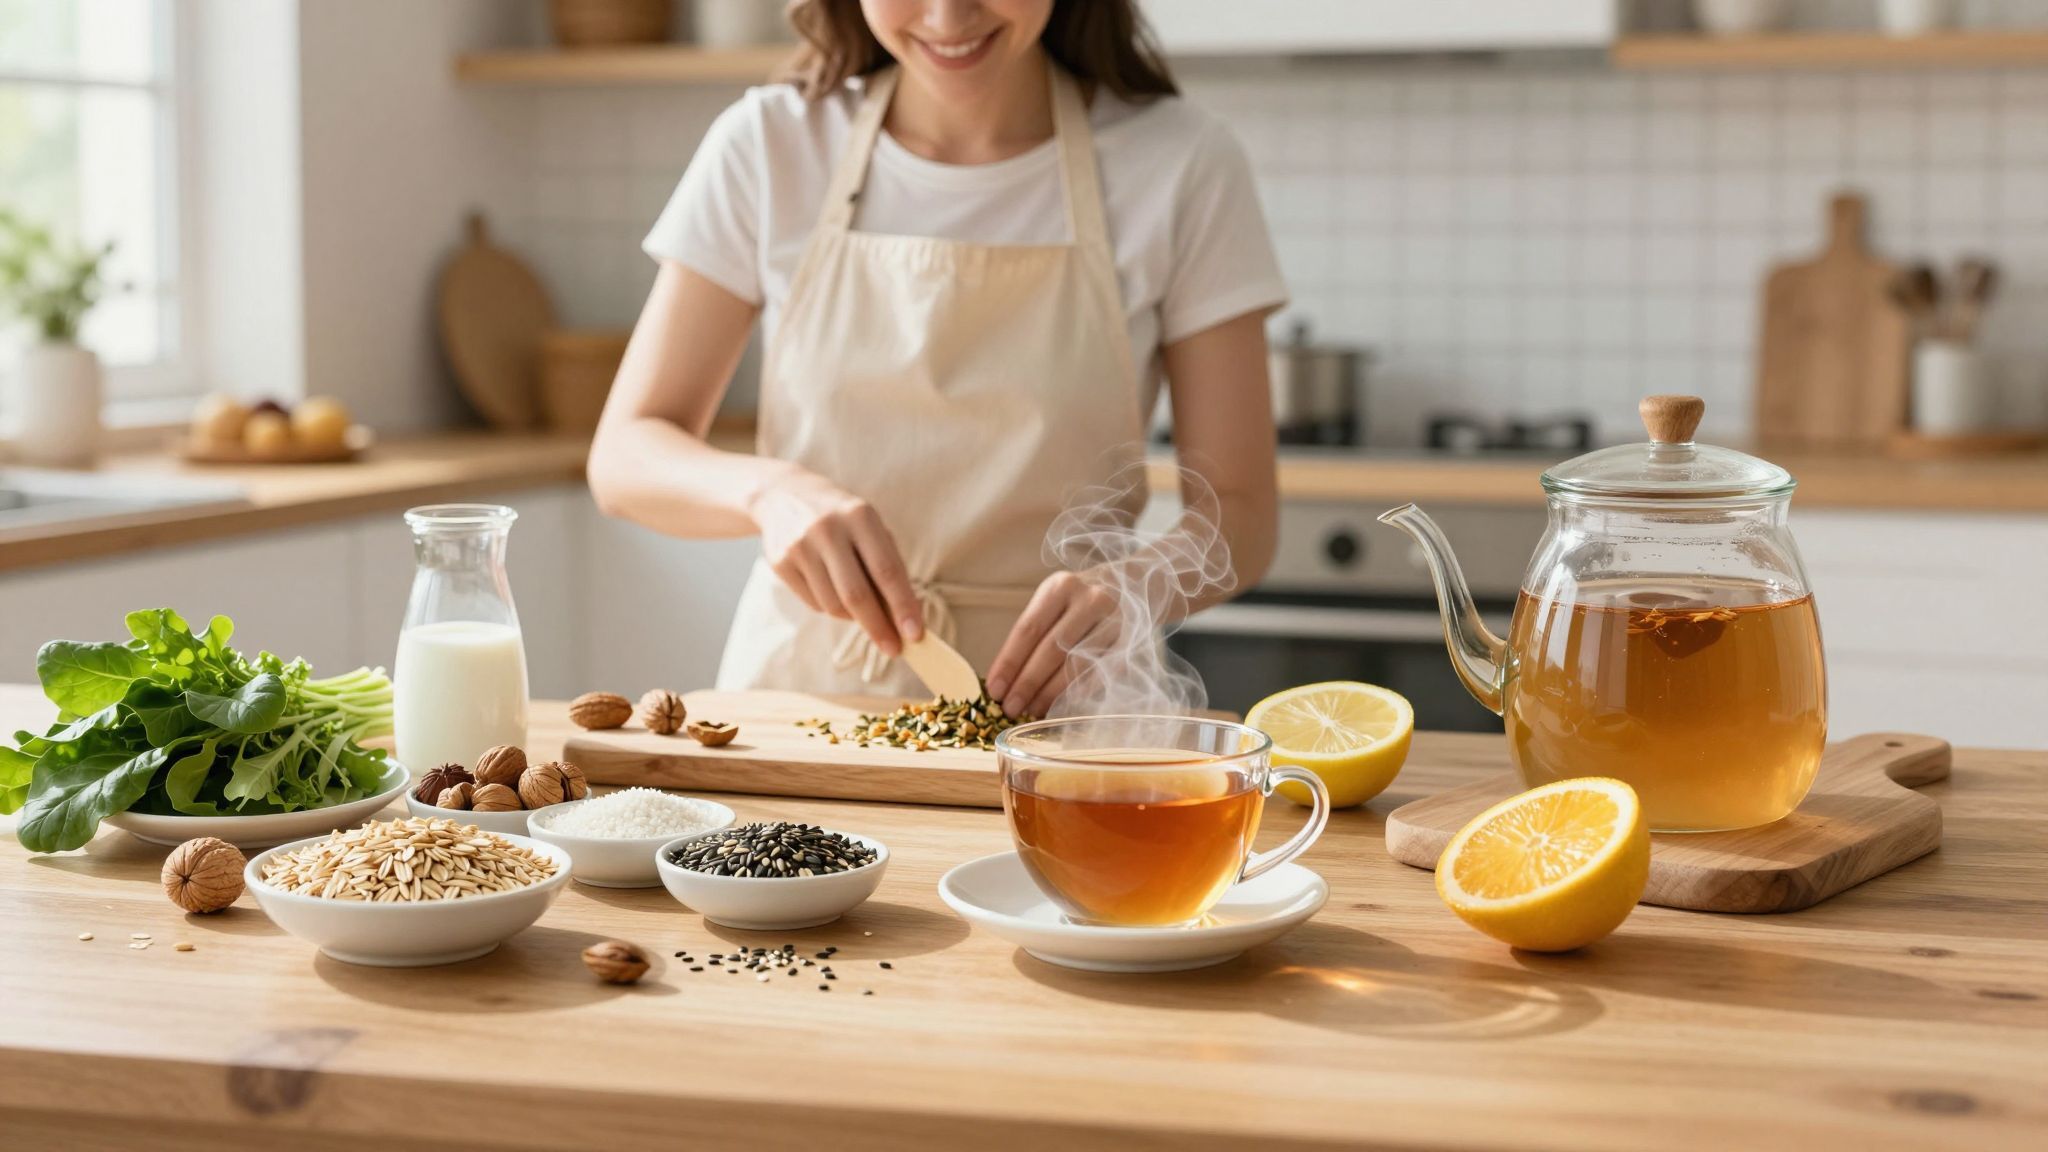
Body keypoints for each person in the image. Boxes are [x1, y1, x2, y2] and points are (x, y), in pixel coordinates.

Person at [588, 0, 1283, 719]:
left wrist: (1138, 585)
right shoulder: (769, 146)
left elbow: (1243, 513)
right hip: (797, 704)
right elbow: (625, 454)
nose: (948, 15)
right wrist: (770, 493)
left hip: (1071, 717)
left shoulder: (1182, 164)